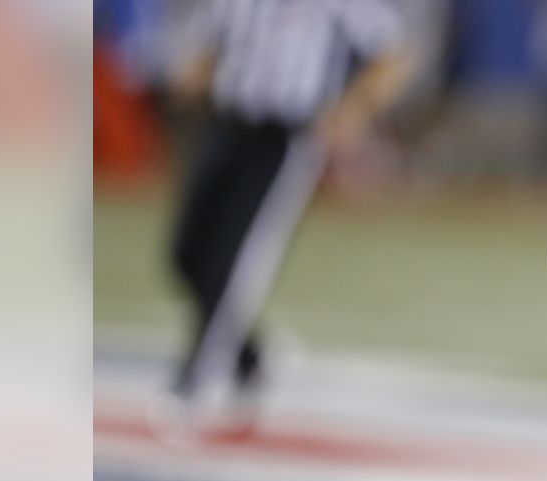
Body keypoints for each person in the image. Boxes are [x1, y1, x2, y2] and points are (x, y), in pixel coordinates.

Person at [152, 0, 417, 440]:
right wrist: (193, 72)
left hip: (285, 137)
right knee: (185, 254)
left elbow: (396, 51)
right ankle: (251, 360)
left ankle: (192, 385)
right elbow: (211, 39)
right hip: (227, 124)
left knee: (233, 262)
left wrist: (353, 109)